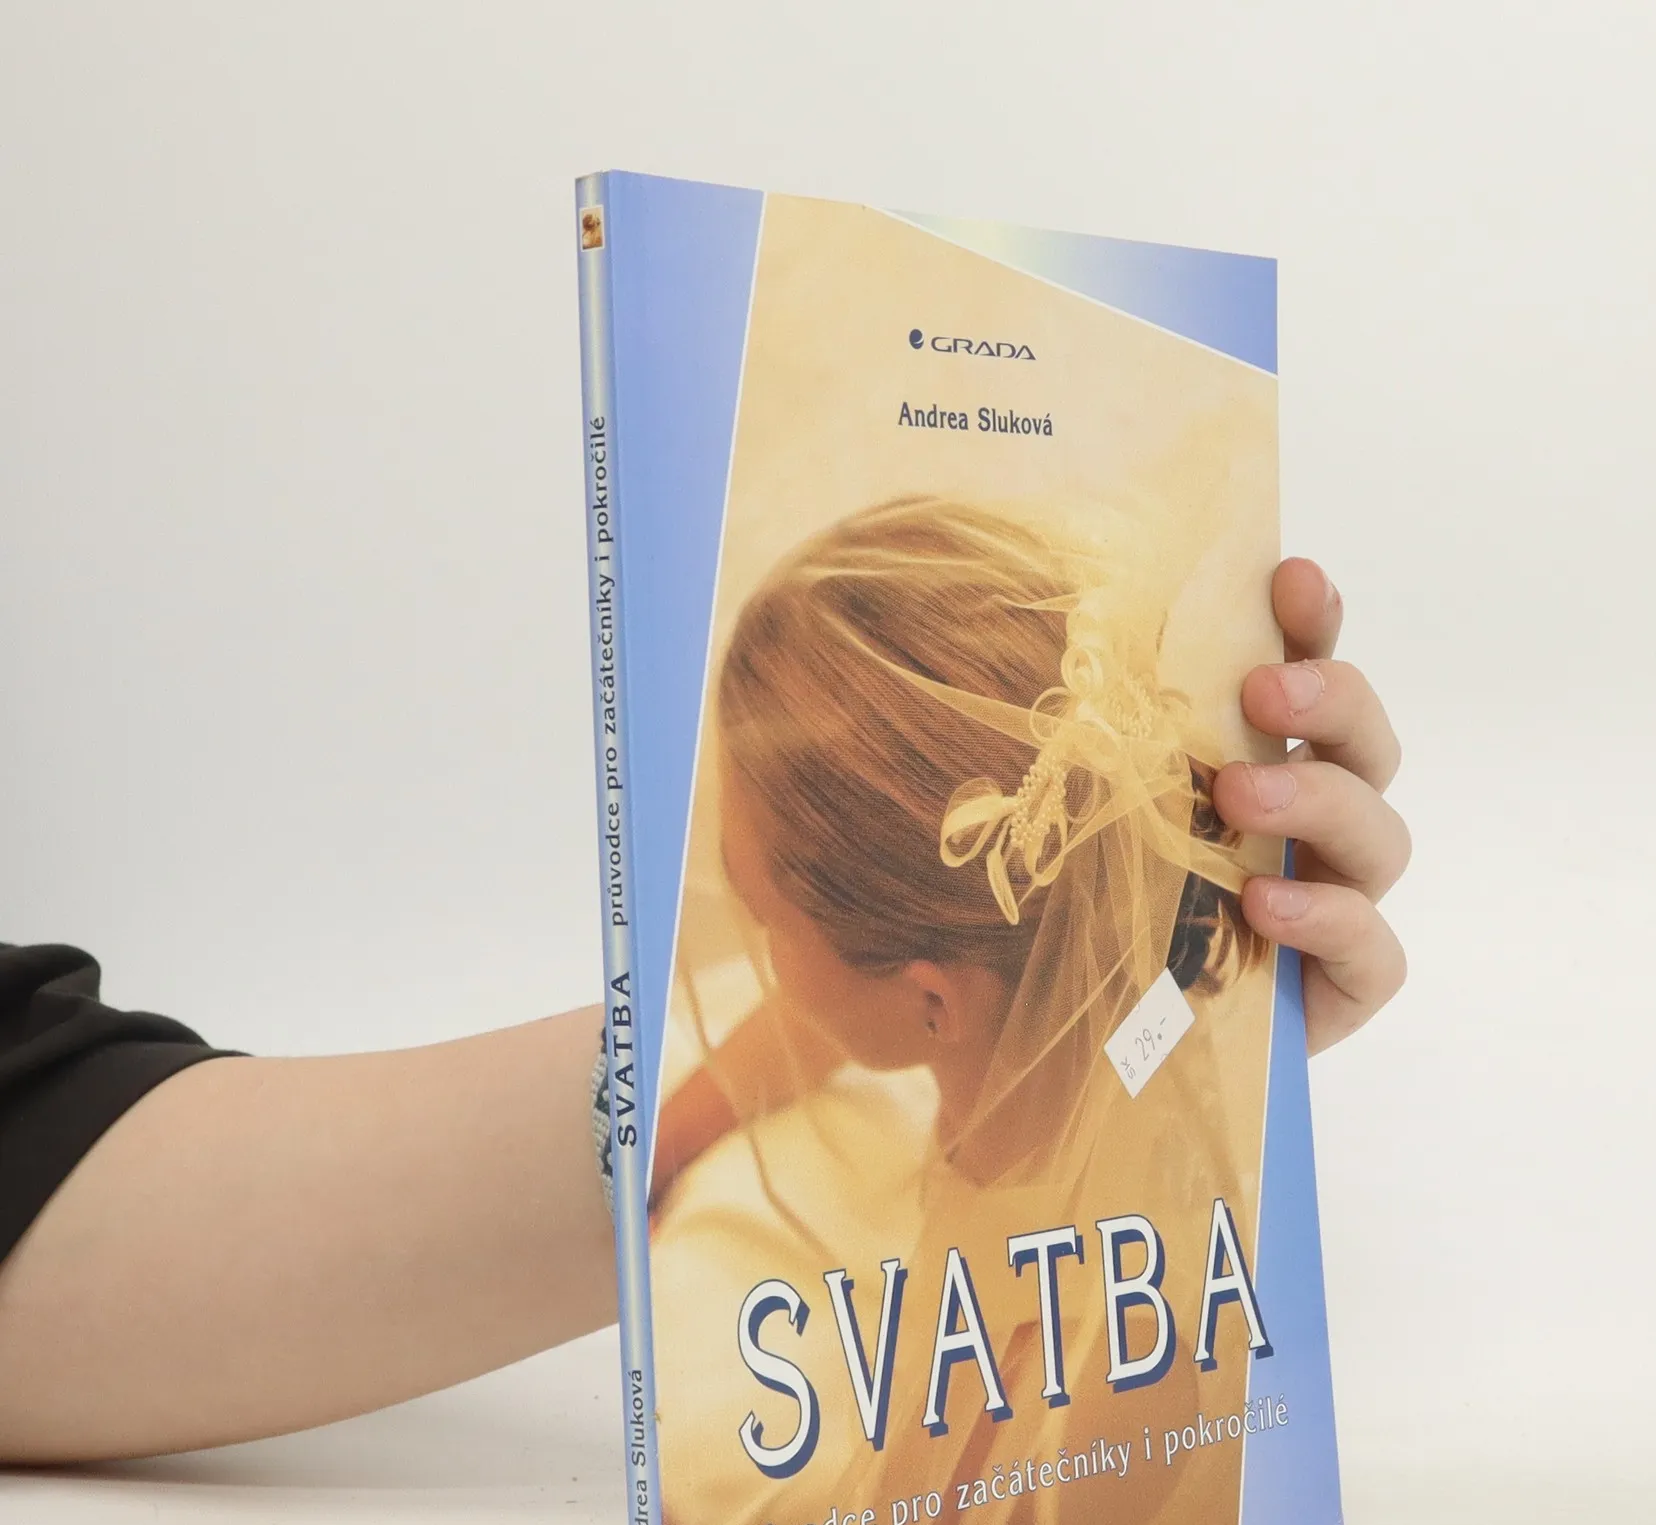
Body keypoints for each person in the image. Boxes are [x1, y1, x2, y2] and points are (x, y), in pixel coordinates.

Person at [0, 552, 1407, 1469]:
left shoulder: (907, 1379)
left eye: (764, 918)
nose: (744, 961)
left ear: (925, 998)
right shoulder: (1149, 1185)